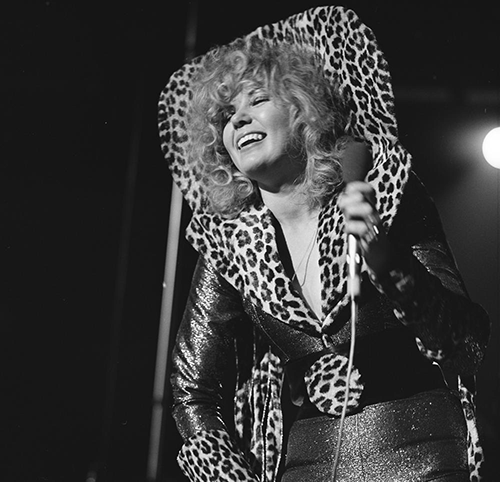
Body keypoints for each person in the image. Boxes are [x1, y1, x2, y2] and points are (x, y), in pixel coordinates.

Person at [159, 6, 490, 482]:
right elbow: (194, 390)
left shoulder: (384, 191)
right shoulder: (229, 243)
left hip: (425, 458)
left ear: (303, 111)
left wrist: (387, 259)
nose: (239, 120)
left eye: (257, 100)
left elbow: (466, 343)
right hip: (308, 466)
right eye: (225, 116)